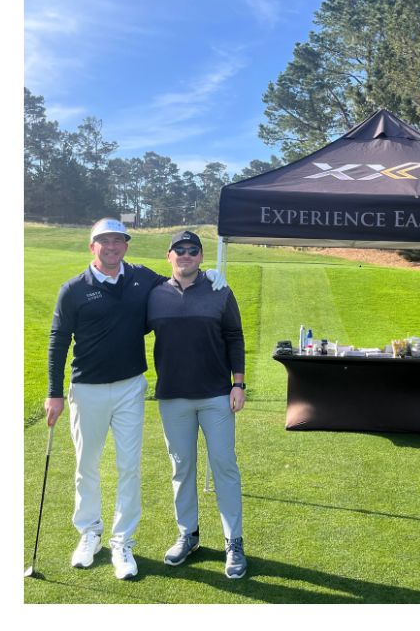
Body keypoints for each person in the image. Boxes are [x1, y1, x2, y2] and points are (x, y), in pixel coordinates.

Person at [45, 218, 165, 579]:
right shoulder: (73, 289)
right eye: (104, 241)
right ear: (91, 247)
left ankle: (122, 541)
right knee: (87, 465)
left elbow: (179, 283)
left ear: (126, 245)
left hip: (130, 386)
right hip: (87, 389)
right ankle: (89, 532)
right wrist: (54, 392)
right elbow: (58, 342)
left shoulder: (142, 278)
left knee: (129, 465)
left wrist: (209, 278)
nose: (111, 247)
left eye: (118, 241)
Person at [147, 230, 247, 579]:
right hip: (173, 396)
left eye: (193, 250)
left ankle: (233, 541)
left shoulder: (219, 290)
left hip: (216, 395)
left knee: (224, 466)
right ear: (169, 255)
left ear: (201, 257)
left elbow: (234, 335)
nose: (186, 255)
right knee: (181, 468)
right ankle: (188, 534)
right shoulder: (155, 293)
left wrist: (238, 384)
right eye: (180, 250)